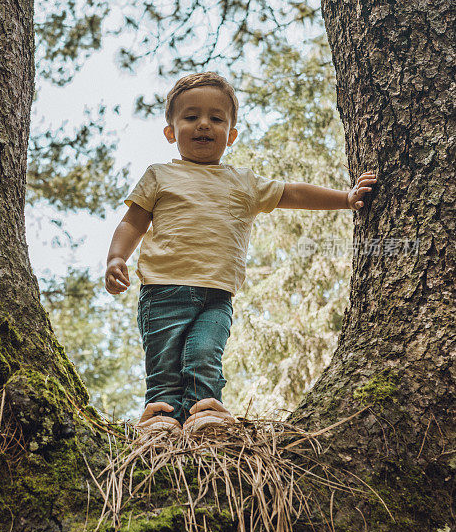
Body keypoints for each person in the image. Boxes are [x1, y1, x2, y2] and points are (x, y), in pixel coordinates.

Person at [105, 72, 377, 435]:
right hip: (162, 291)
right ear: (171, 131)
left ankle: (206, 415)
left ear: (231, 135)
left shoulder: (244, 182)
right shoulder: (159, 176)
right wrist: (116, 258)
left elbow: (292, 194)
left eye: (216, 119)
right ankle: (159, 422)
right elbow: (133, 223)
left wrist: (345, 199)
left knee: (205, 356)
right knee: (164, 363)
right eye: (190, 117)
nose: (204, 124)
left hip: (217, 294)